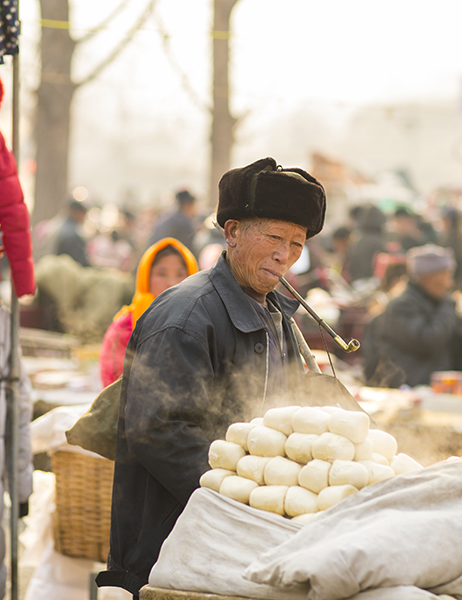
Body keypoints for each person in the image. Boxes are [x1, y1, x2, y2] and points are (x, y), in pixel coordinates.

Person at [99, 157, 325, 596]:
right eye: (274, 237)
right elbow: (160, 432)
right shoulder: (185, 318)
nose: (285, 255)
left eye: (297, 244)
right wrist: (252, 489)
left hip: (240, 542)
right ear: (232, 232)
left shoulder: (276, 315)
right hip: (172, 549)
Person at [363, 244, 462, 388]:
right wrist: (448, 305)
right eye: (446, 276)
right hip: (412, 386)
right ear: (428, 277)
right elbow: (428, 342)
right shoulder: (402, 306)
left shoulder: (438, 303)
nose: (450, 284)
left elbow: (458, 353)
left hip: (443, 386)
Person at [98, 237, 198, 387]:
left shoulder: (200, 321)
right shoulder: (126, 326)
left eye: (180, 274)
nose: (171, 282)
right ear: (145, 277)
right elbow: (113, 384)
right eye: (161, 274)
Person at [147, 189, 198, 257]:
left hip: (156, 258)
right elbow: (189, 249)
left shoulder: (164, 218)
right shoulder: (183, 222)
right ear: (188, 205)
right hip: (171, 258)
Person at [345, 203, 386, 283]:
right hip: (373, 281)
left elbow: (351, 263)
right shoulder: (380, 241)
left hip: (356, 281)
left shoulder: (358, 238)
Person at [54, 198, 89, 267]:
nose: (84, 217)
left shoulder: (61, 226)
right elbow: (80, 262)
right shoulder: (72, 234)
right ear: (76, 212)